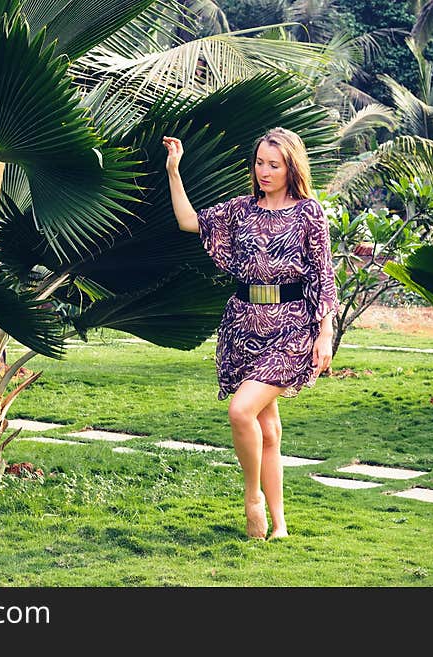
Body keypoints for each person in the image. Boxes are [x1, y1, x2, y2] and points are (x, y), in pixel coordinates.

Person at [162, 127, 338, 540]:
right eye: (260, 163)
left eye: (273, 165)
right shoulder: (242, 210)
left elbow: (323, 275)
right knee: (269, 431)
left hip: (292, 325)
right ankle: (279, 527)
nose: (264, 171)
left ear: (291, 166)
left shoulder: (309, 213)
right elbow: (189, 221)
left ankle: (251, 499)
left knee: (241, 412)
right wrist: (174, 170)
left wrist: (325, 332)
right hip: (243, 324)